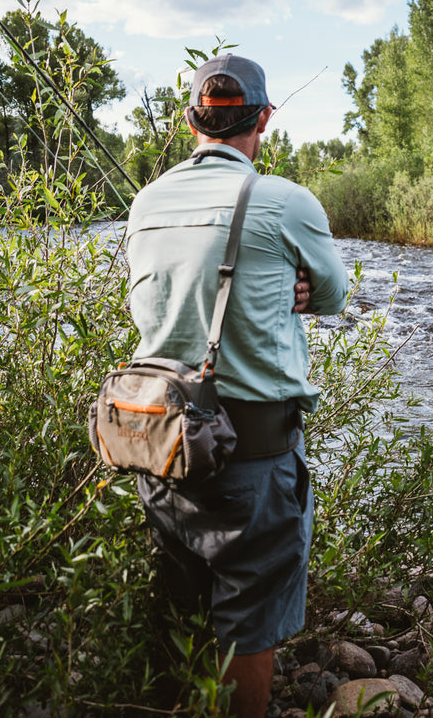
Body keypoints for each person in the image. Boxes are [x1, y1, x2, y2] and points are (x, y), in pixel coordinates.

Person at [125, 54, 348, 717]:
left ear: (192, 120)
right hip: (252, 454)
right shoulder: (284, 200)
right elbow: (332, 293)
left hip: (159, 441)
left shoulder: (146, 200)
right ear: (264, 120)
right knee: (248, 616)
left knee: (177, 600)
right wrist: (294, 287)